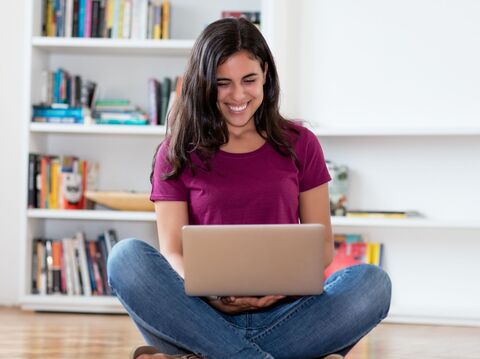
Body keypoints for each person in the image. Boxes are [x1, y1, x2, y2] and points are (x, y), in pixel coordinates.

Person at [107, 17, 391, 359]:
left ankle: (208, 356)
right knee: (126, 259)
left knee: (372, 283)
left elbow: (323, 246)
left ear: (266, 75)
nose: (237, 95)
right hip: (200, 314)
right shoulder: (176, 151)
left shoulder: (301, 143)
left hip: (289, 312)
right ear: (203, 84)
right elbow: (173, 252)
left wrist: (279, 288)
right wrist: (212, 295)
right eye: (222, 83)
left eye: (249, 80)